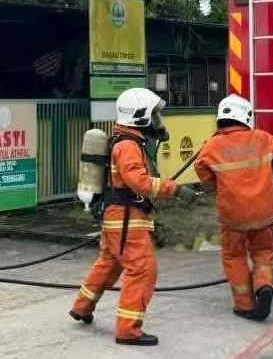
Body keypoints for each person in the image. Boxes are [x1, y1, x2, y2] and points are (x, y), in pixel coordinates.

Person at [69, 88, 197, 346]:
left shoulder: (127, 141)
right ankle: (128, 329)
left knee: (109, 263)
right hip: (127, 219)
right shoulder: (128, 145)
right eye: (154, 115)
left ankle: (82, 306)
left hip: (117, 218)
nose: (158, 120)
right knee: (142, 270)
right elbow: (137, 181)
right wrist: (176, 190)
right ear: (140, 116)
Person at [194, 95, 273, 321]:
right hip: (263, 214)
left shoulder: (211, 146)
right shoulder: (261, 138)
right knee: (263, 253)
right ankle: (264, 286)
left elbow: (203, 174)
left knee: (233, 255)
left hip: (233, 216)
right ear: (246, 116)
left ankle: (244, 305)